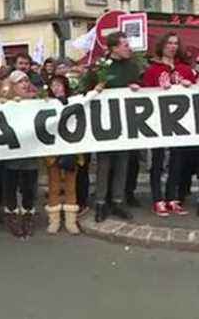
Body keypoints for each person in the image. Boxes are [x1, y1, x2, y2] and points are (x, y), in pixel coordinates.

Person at [142, 32, 198, 217]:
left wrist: (189, 84)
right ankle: (158, 199)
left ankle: (172, 198)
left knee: (177, 160)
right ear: (162, 45)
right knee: (157, 161)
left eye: (175, 43)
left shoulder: (184, 69)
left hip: (180, 124)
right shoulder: (153, 70)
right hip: (158, 122)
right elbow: (144, 95)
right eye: (169, 43)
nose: (172, 46)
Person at [89, 32, 142, 223]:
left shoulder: (132, 66)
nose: (129, 48)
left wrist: (137, 87)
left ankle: (118, 201)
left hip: (125, 123)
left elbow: (141, 87)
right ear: (114, 48)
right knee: (104, 164)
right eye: (125, 45)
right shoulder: (99, 67)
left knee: (122, 162)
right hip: (104, 122)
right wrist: (96, 89)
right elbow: (85, 89)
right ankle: (101, 202)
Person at [0, 71, 40, 239]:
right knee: (11, 185)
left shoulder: (37, 101)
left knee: (29, 186)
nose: (24, 84)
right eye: (19, 82)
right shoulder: (4, 101)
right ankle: (12, 215)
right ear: (12, 86)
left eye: (26, 81)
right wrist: (6, 104)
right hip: (12, 152)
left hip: (31, 151)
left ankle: (28, 214)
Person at [44, 75, 81, 235]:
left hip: (71, 149)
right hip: (53, 151)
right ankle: (54, 221)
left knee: (71, 186)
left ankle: (71, 221)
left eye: (59, 85)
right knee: (54, 185)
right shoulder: (45, 104)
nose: (56, 88)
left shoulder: (75, 101)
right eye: (53, 85)